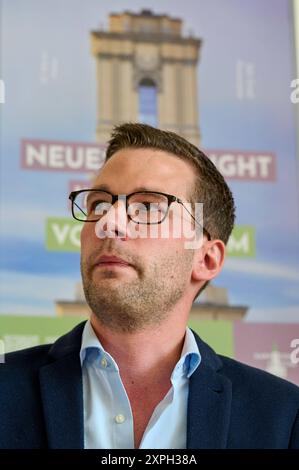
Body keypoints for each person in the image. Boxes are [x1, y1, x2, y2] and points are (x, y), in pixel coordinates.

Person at [0, 123, 298, 449]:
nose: (108, 223)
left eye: (147, 207)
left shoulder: (282, 417)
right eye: (99, 204)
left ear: (206, 259)